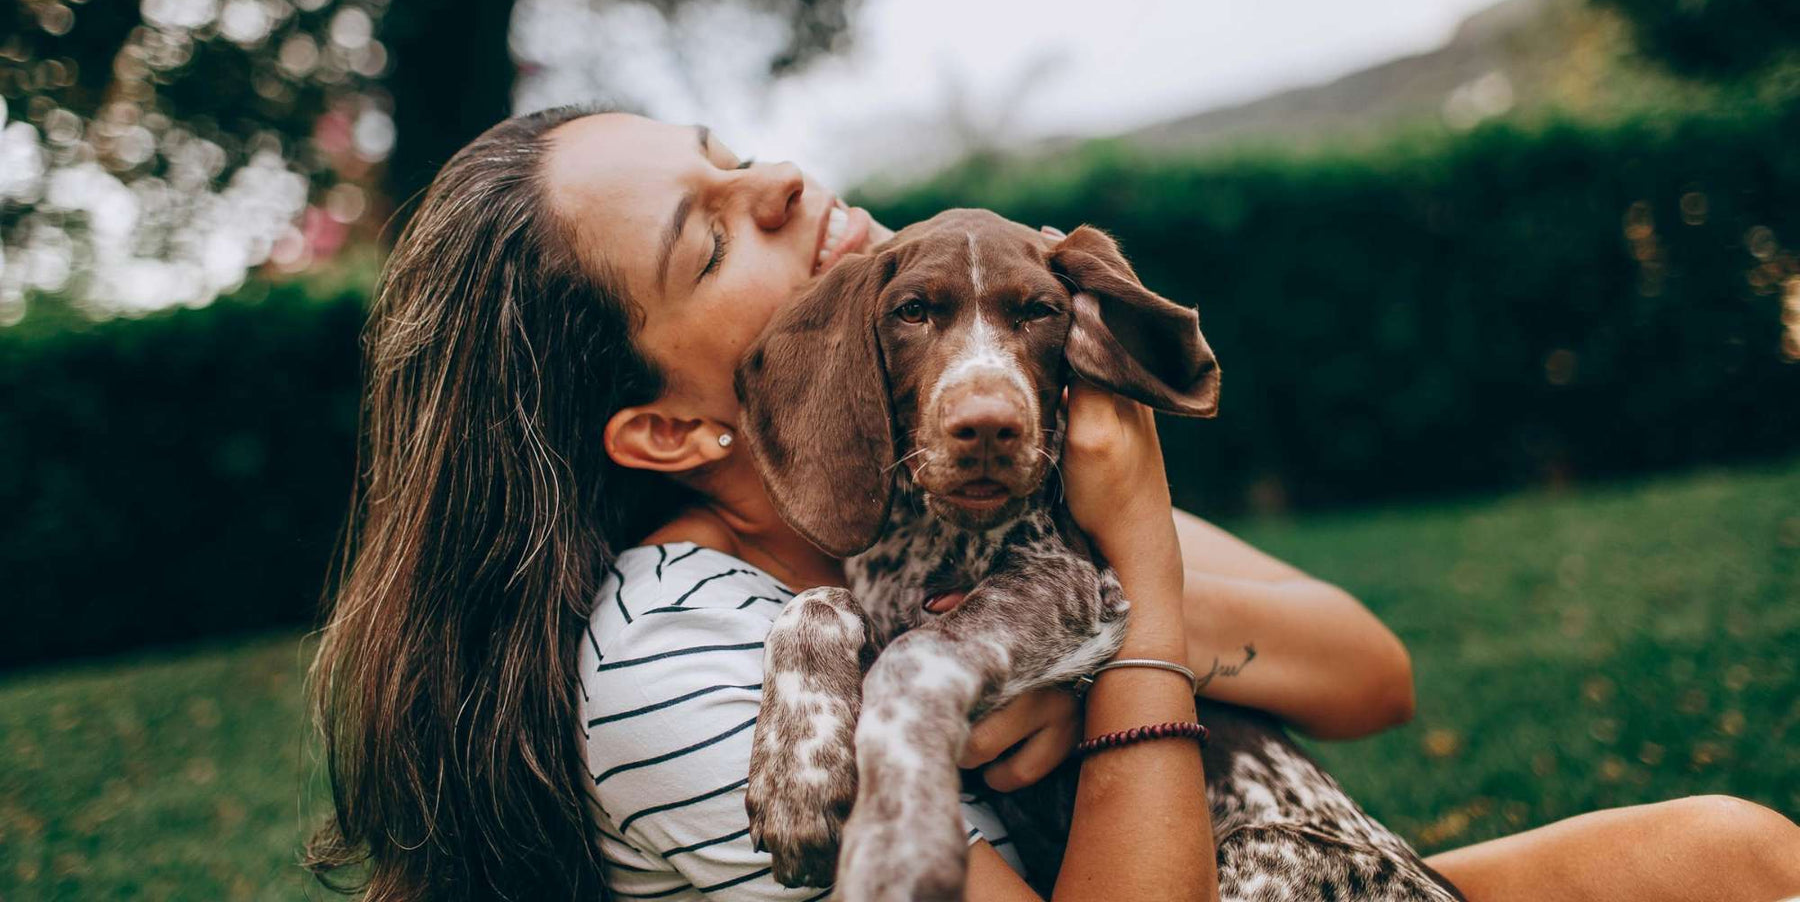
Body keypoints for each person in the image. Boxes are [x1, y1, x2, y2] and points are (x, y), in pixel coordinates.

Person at [307, 106, 1800, 901]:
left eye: (731, 151)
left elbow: (1367, 673)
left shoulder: (984, 448)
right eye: (710, 236)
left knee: (1736, 860)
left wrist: (1087, 642)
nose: (778, 181)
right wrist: (1136, 579)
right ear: (670, 423)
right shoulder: (682, 656)